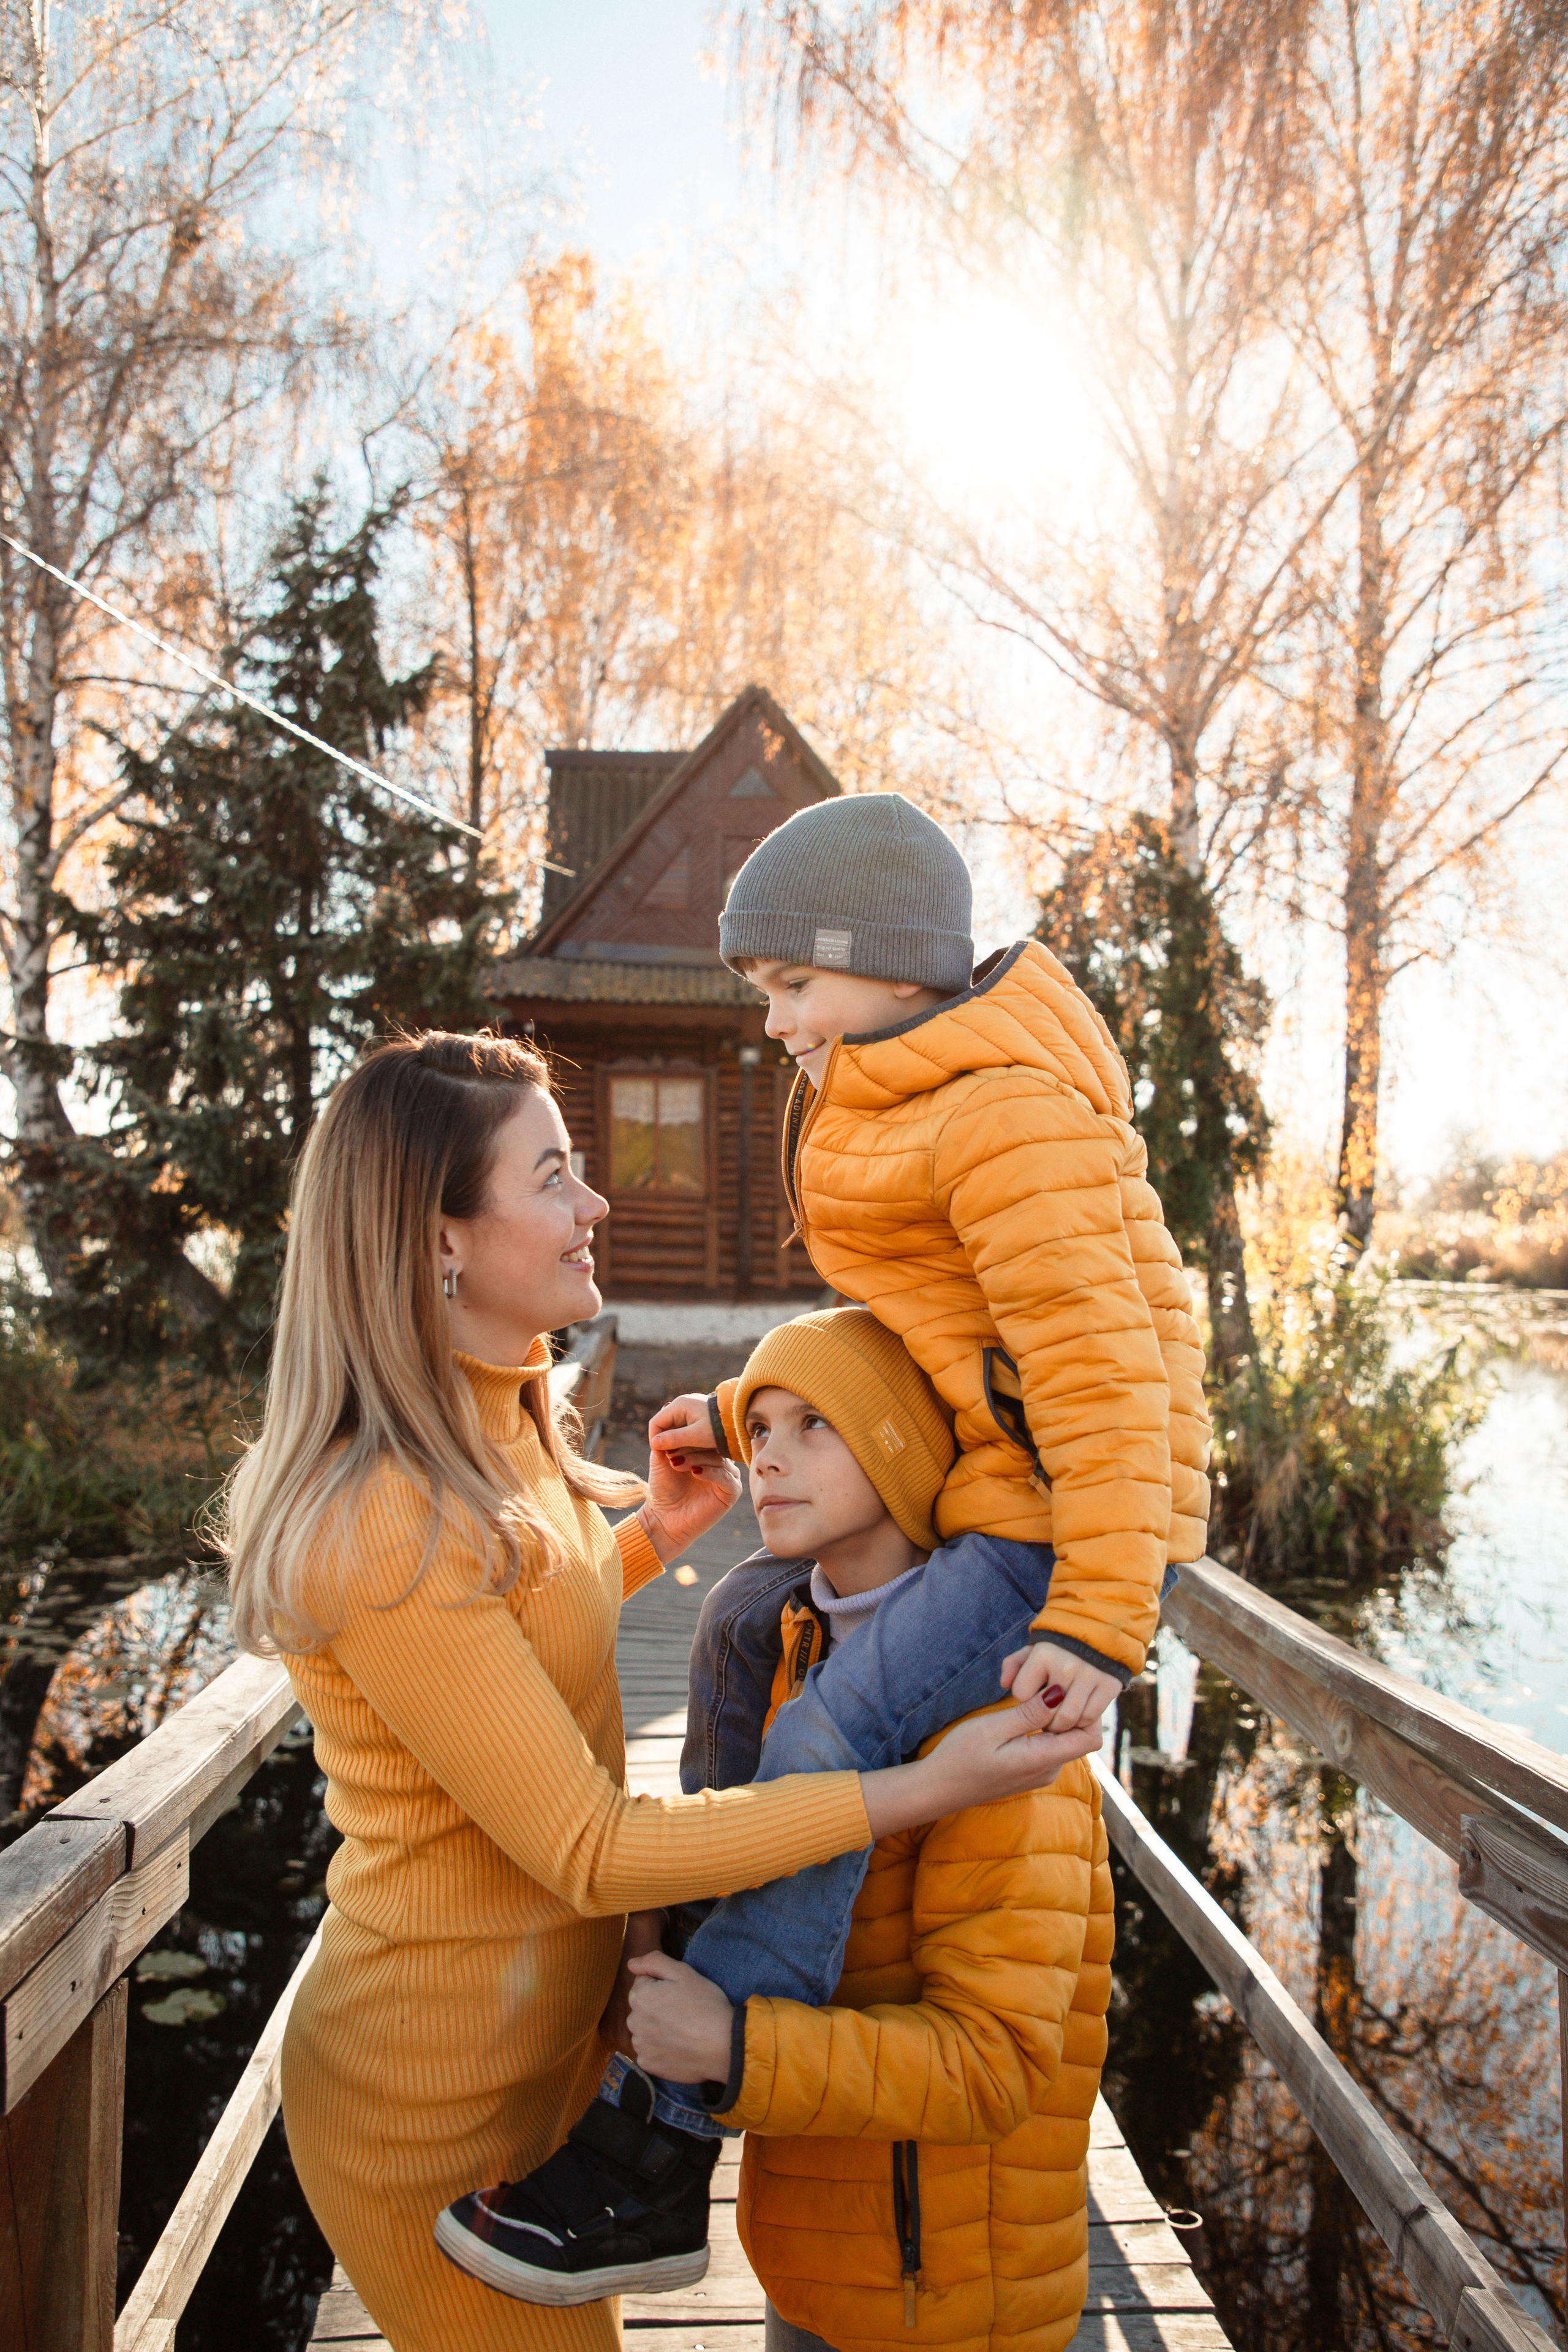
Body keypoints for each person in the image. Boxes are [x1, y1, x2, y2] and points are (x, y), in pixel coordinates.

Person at [445, 795, 1207, 2301]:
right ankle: (736, 1915)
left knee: (827, 1742)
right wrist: (747, 1414)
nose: (774, 1022)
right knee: (738, 1619)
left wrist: (1097, 1622)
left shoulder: (999, 1115)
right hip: (999, 1484)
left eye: (793, 986)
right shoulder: (906, 1088)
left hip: (1049, 1522)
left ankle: (660, 2145)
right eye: (763, 994)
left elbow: (1106, 1392)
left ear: (888, 966)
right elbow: (927, 1342)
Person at [223, 1030, 1091, 2352]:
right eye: (554, 1178)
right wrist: (918, 1786)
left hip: (558, 2044)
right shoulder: (381, 1516)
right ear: (437, 1237)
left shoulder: (501, 1417)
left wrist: (652, 1541)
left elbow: (504, 1629)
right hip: (434, 2092)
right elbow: (587, 1845)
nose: (598, 1203)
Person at [624, 1314, 1115, 2352]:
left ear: (900, 1451)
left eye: (814, 1426)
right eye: (758, 1426)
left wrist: (734, 2047)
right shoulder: (783, 1648)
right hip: (808, 2257)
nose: (766, 1455)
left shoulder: (1005, 1716)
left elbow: (998, 2063)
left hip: (944, 2292)